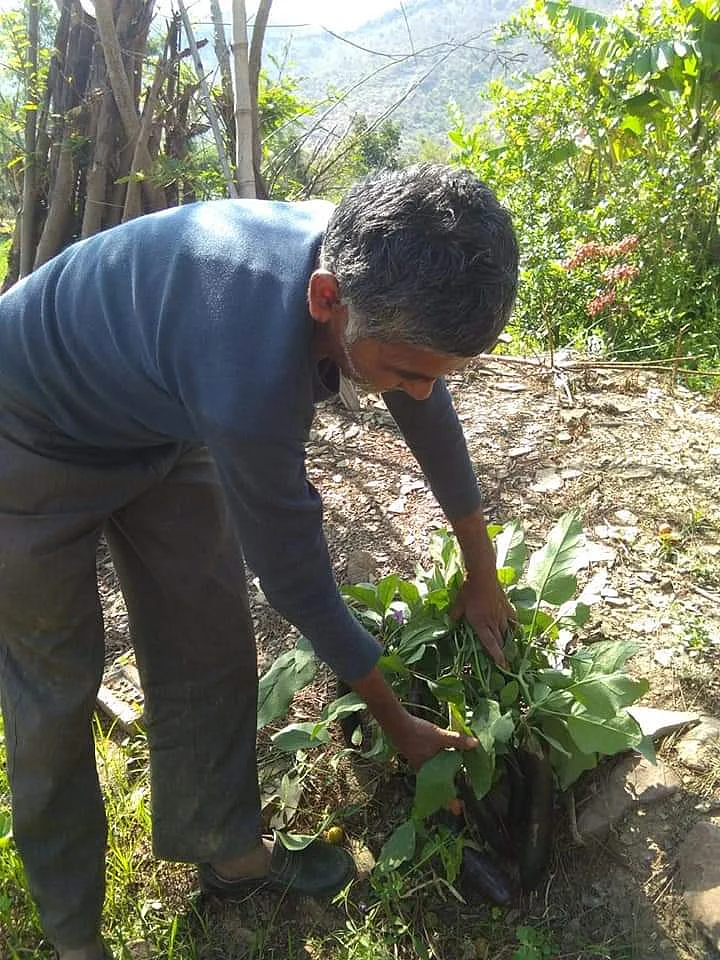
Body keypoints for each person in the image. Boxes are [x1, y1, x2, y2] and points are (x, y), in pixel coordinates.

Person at [0, 163, 519, 959]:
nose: (419, 391)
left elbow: (429, 406)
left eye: (435, 374)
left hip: (158, 415)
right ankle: (75, 938)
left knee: (209, 635)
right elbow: (296, 579)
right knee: (54, 686)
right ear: (325, 300)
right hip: (25, 426)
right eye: (407, 372)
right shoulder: (250, 366)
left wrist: (483, 572)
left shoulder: (375, 256)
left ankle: (232, 852)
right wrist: (395, 721)